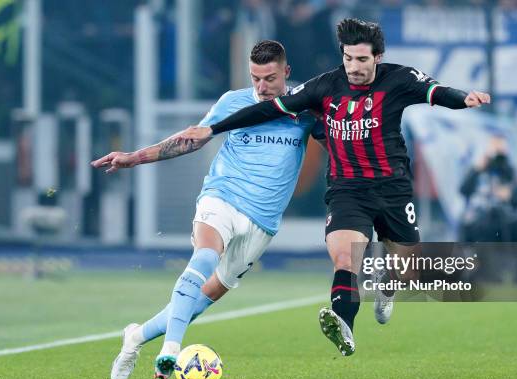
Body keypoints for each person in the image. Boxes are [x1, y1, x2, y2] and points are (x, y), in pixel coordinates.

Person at [177, 18, 491, 357]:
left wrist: (464, 98)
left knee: (406, 263)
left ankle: (389, 284)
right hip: (347, 191)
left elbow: (437, 92)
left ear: (378, 57)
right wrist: (214, 129)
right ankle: (345, 328)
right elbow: (267, 110)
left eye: (362, 60)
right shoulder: (324, 86)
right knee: (345, 259)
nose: (354, 67)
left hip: (393, 189)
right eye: (348, 58)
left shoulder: (400, 79)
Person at [91, 40, 322, 379]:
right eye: (255, 78)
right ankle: (170, 350)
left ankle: (136, 337)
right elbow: (191, 140)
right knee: (204, 256)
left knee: (202, 299)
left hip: (263, 221)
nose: (261, 87)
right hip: (222, 197)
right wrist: (133, 158)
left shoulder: (304, 109)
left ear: (286, 73)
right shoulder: (233, 102)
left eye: (269, 79)